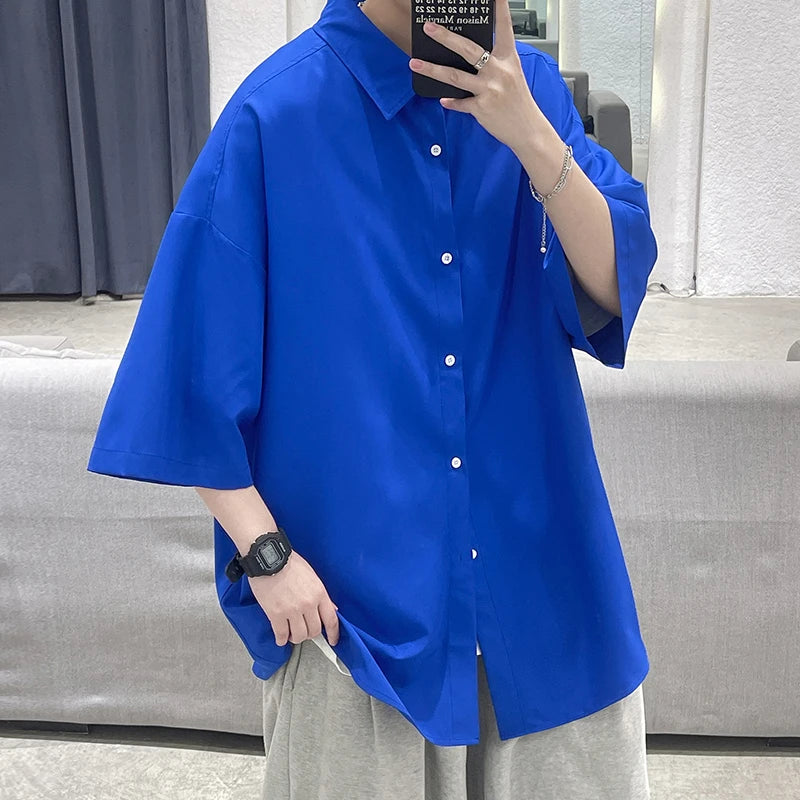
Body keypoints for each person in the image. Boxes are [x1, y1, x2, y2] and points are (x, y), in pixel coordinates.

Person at [86, 0, 658, 797]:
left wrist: (530, 133)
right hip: (357, 620)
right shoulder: (276, 115)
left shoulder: (529, 91)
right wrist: (266, 557)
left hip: (546, 589)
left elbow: (614, 282)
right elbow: (185, 376)